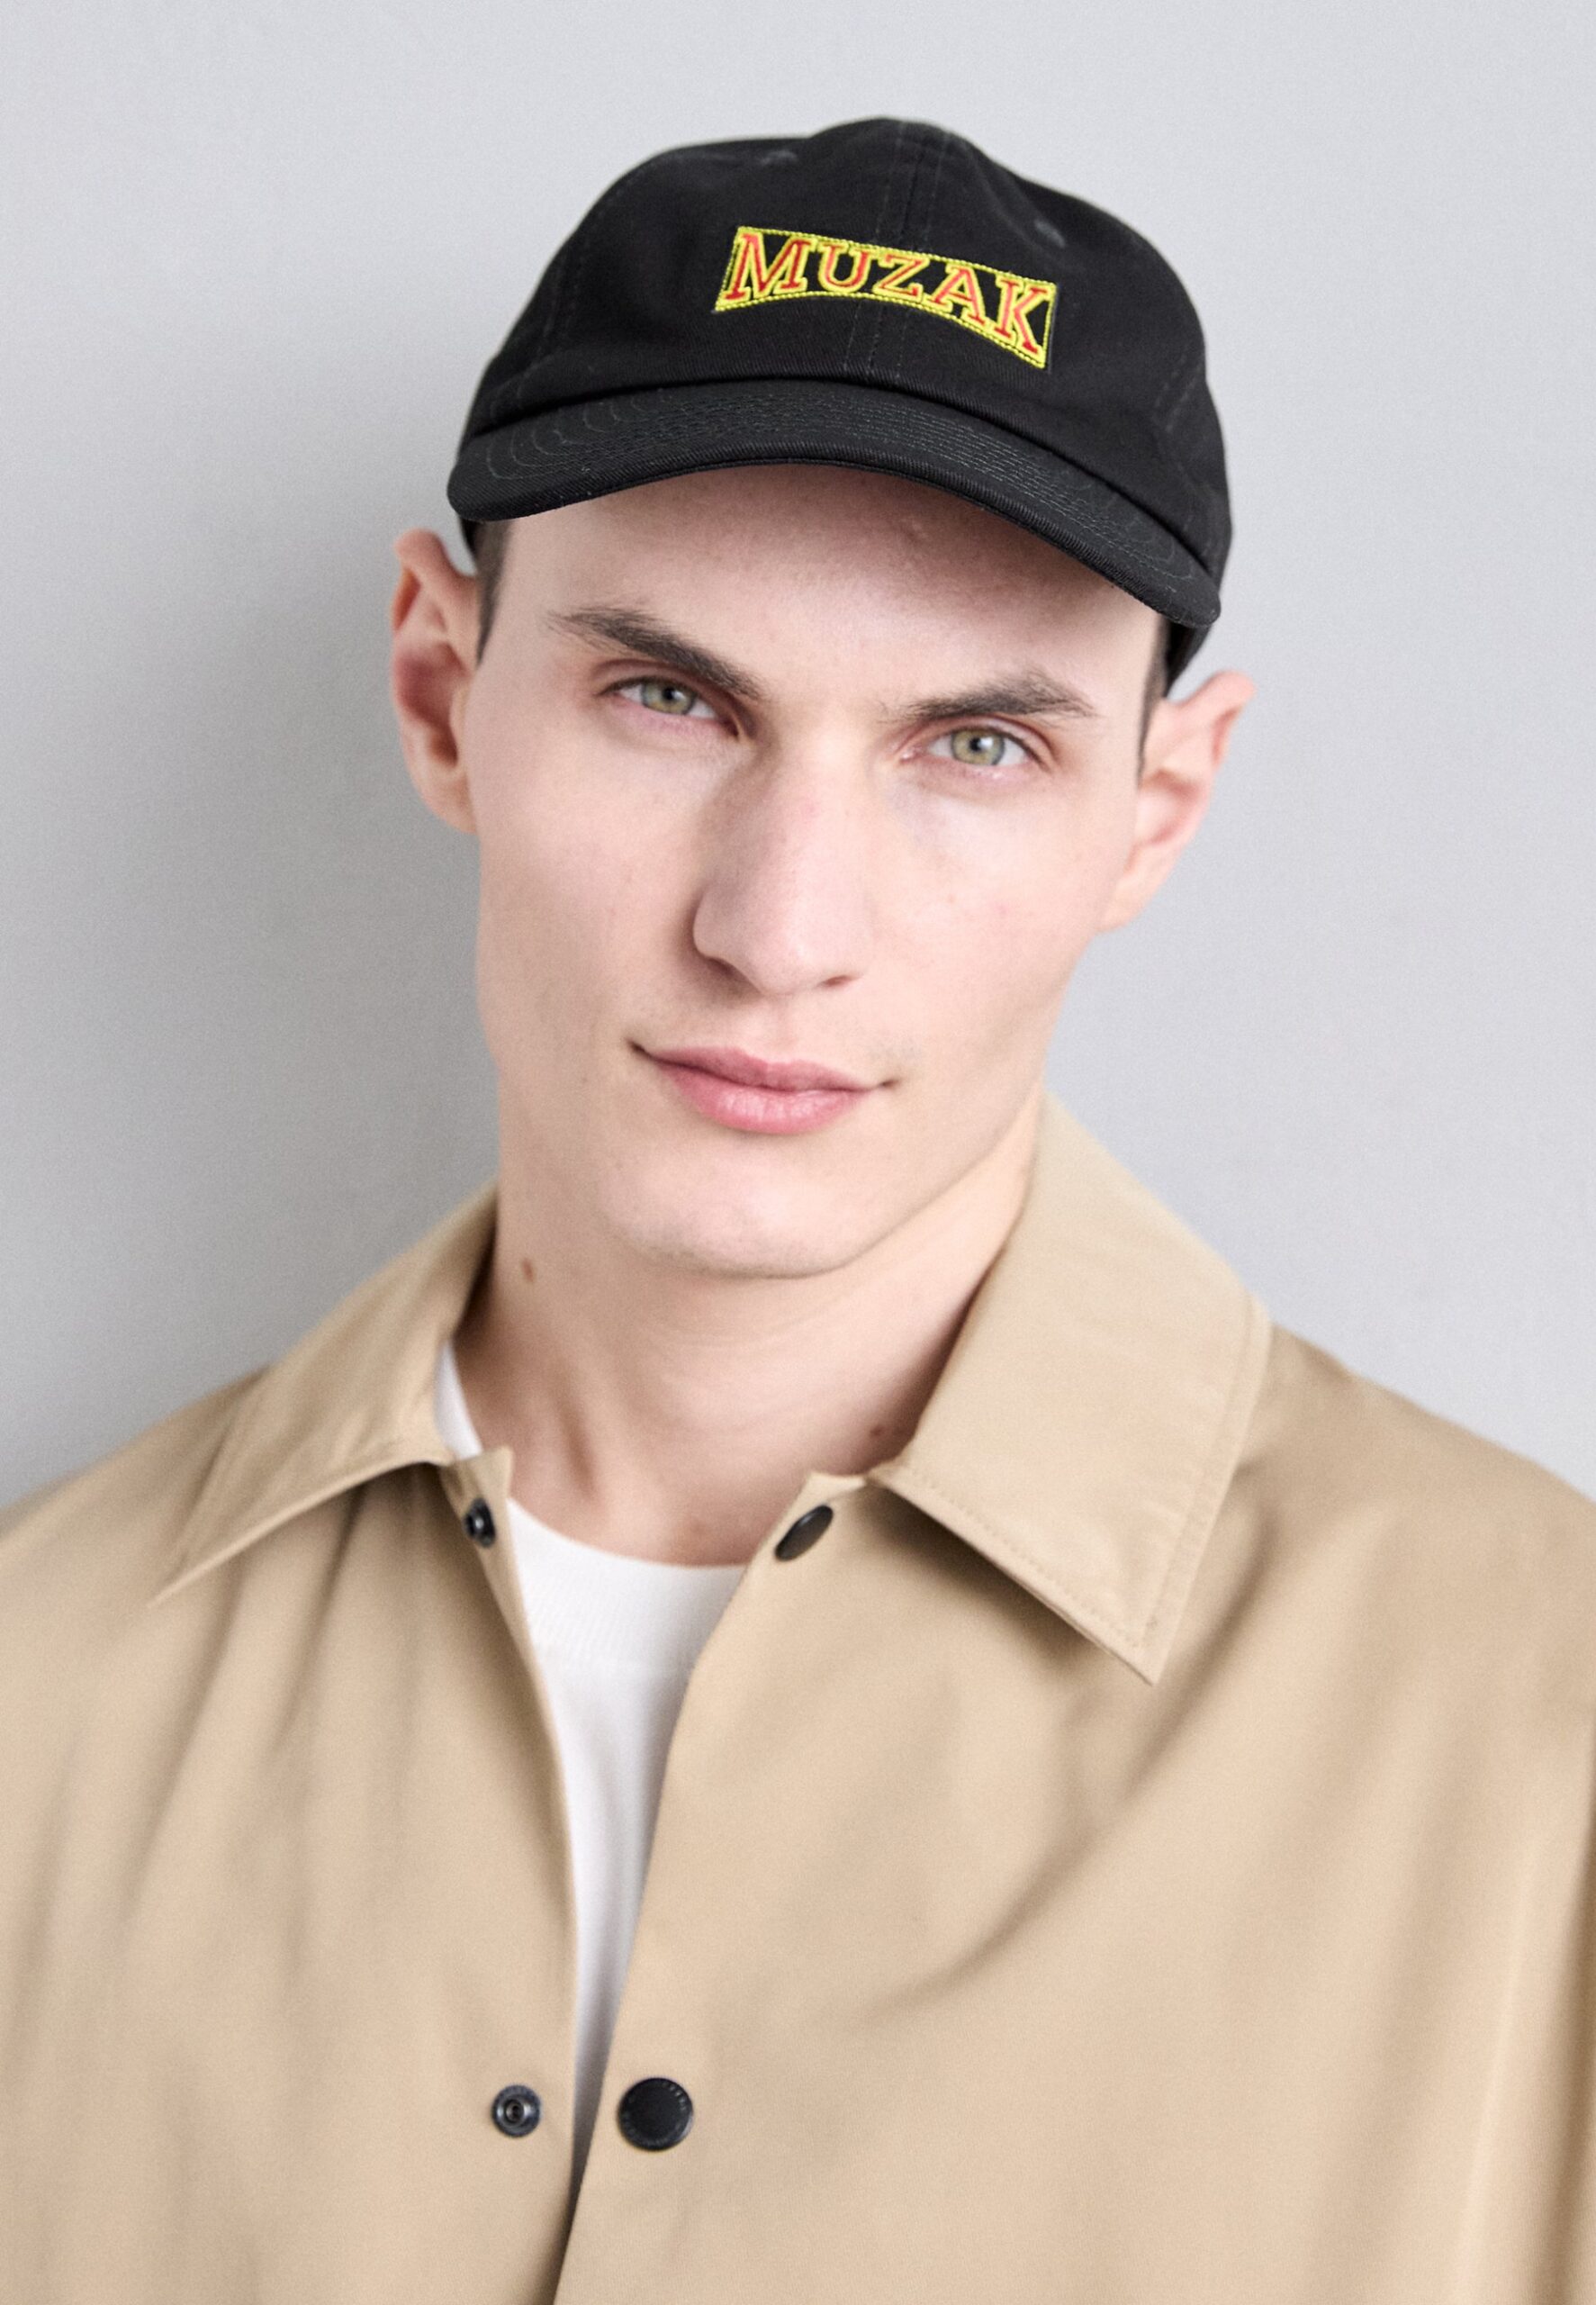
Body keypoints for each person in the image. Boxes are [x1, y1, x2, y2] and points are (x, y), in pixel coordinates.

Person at [2, 115, 1591, 2305]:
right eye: (668, 698)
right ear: (440, 689)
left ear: (1154, 810)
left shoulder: (1539, 1730)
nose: (777, 927)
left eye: (975, 746)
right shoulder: (37, 1691)